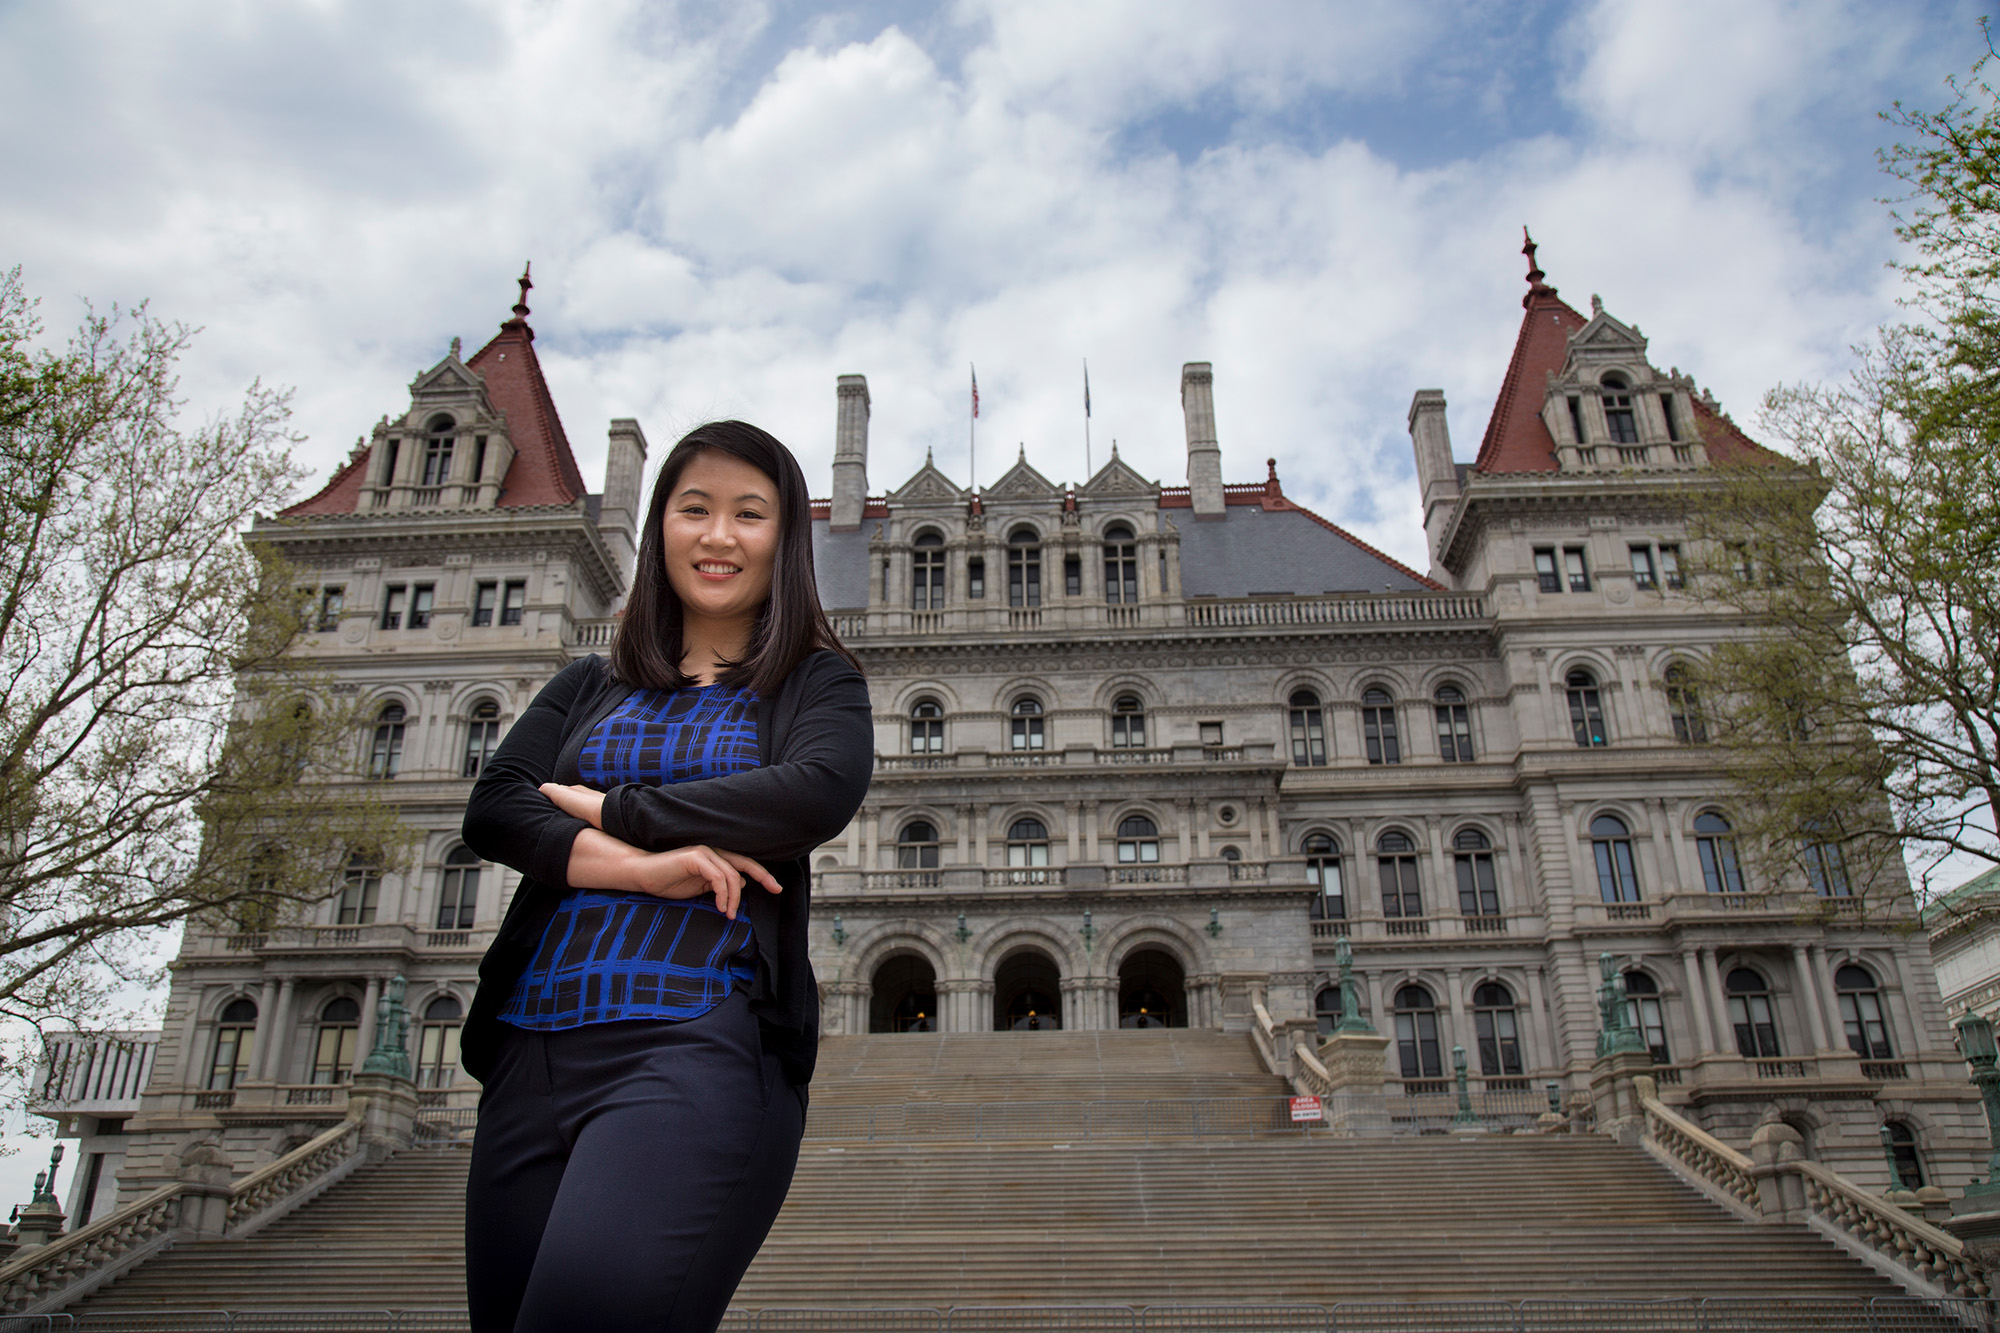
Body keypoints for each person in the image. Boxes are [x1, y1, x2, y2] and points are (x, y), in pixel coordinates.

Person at [458, 420, 872, 1333]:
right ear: (660, 529)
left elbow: (810, 794)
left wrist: (609, 810)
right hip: (530, 1049)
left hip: (687, 1041)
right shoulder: (587, 682)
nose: (718, 535)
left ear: (785, 541)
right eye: (695, 509)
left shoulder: (816, 685)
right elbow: (495, 807)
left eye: (749, 514)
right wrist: (646, 869)